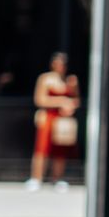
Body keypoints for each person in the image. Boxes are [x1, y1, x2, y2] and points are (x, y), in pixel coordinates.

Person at [27, 52, 79, 191]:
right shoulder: (45, 79)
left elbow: (76, 100)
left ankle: (57, 178)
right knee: (42, 149)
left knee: (60, 151)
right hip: (48, 117)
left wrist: (70, 105)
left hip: (63, 120)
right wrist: (60, 101)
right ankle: (36, 178)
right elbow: (39, 99)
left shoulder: (71, 80)